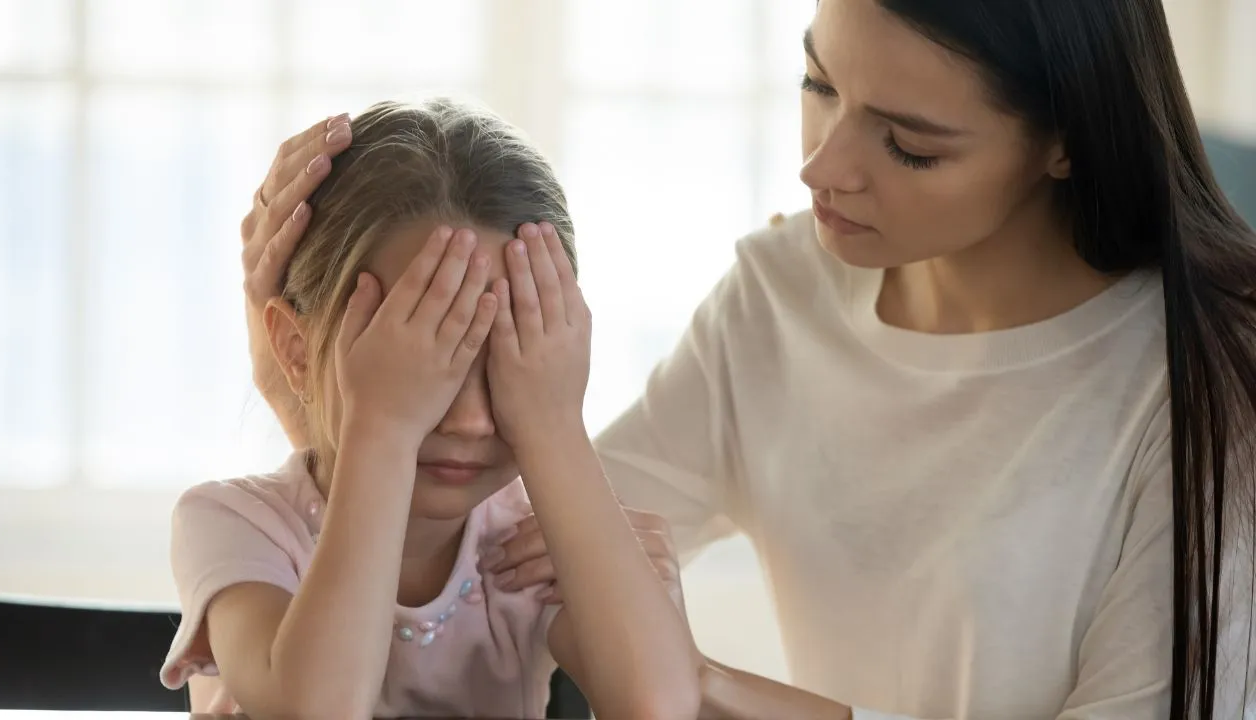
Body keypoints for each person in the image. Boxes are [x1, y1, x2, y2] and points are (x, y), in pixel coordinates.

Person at [238, 1, 1256, 718]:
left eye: (908, 145)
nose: (819, 164)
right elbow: (505, 537)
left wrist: (711, 687)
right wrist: (294, 354)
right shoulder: (780, 297)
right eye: (817, 84)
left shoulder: (1201, 383)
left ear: (1064, 142)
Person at [161, 99, 702, 719]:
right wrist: (382, 429)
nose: (469, 421)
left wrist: (554, 429)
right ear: (294, 348)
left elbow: (657, 708)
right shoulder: (236, 523)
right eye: (422, 369)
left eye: (506, 366)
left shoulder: (528, 541)